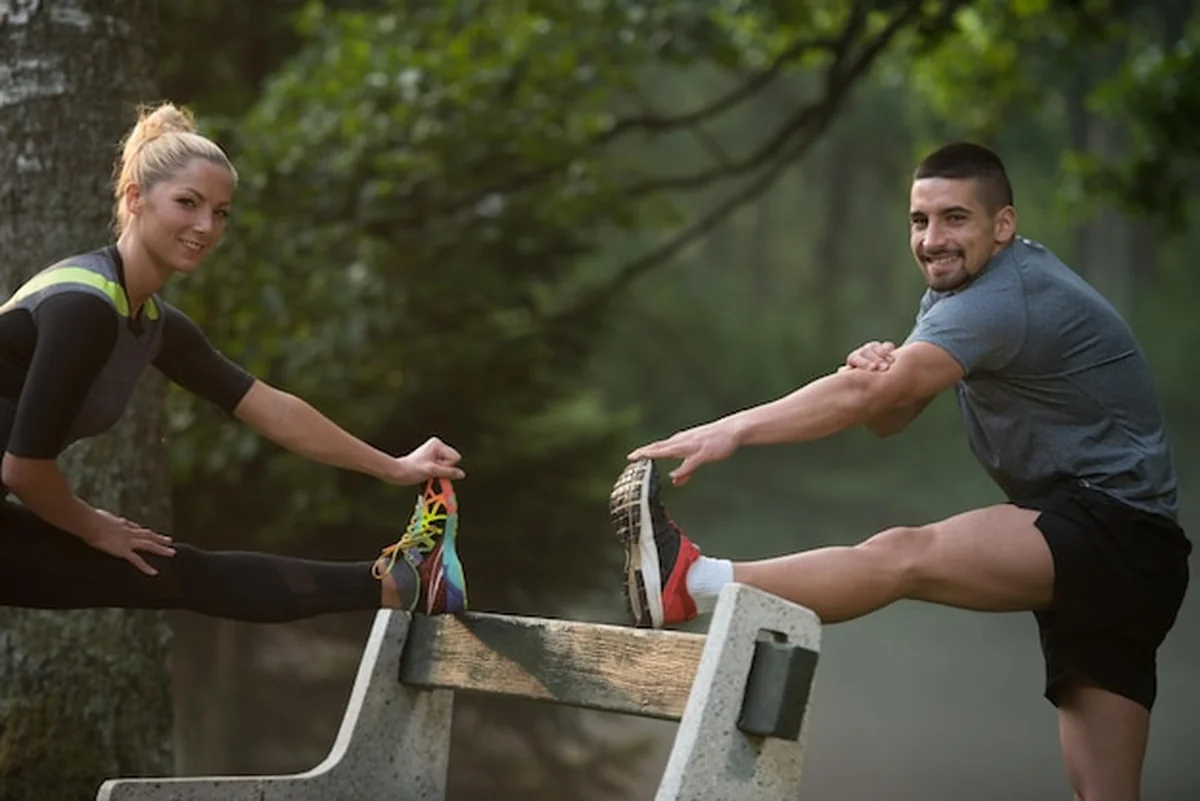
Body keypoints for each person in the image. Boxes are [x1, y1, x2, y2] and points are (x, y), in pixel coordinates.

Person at [611, 142, 1190, 800]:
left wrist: (733, 427)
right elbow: (891, 416)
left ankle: (692, 582)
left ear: (1002, 224)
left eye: (955, 218)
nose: (933, 239)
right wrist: (877, 373)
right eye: (920, 221)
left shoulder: (1005, 295)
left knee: (903, 554)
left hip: (1113, 531)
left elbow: (871, 405)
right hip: (1130, 555)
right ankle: (690, 584)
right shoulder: (956, 296)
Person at [0, 102, 468, 622]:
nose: (206, 226)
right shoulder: (84, 308)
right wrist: (93, 526)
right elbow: (24, 468)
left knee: (173, 571)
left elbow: (266, 406)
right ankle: (402, 585)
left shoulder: (151, 322)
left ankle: (404, 584)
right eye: (188, 203)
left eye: (220, 212)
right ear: (135, 198)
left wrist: (396, 466)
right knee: (171, 571)